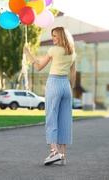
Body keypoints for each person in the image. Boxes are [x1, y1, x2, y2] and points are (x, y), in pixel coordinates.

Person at [23, 26, 76, 166]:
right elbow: (73, 75)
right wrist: (69, 88)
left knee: (51, 117)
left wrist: (28, 53)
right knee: (65, 120)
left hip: (54, 83)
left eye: (55, 36)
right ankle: (63, 155)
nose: (53, 38)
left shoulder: (53, 50)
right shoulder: (72, 53)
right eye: (52, 36)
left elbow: (39, 67)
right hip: (66, 86)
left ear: (61, 37)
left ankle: (53, 152)